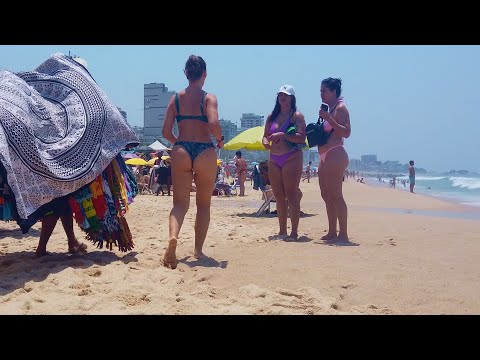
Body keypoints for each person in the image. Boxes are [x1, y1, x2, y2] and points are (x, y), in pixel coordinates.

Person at [161, 54, 224, 269]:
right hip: (205, 150)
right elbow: (214, 122)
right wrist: (220, 139)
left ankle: (173, 238)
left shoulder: (176, 98)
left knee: (179, 204)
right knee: (203, 204)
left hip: (182, 148)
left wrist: (178, 142)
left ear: (185, 74)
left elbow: (165, 131)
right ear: (205, 74)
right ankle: (198, 249)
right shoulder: (209, 98)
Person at [262, 84, 306, 240]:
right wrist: (265, 142)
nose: (282, 97)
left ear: (291, 98)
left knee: (292, 194)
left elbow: (302, 137)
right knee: (279, 196)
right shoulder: (271, 117)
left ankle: (294, 232)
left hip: (291, 157)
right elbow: (265, 135)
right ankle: (282, 231)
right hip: (274, 158)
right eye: (280, 94)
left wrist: (283, 135)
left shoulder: (297, 116)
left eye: (286, 95)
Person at [317, 77, 351, 243]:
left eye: (324, 90)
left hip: (336, 153)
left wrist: (329, 119)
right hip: (325, 155)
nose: (321, 93)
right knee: (326, 194)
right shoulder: (330, 110)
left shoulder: (341, 109)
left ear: (333, 92)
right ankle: (332, 231)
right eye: (321, 90)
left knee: (336, 195)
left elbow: (346, 132)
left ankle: (343, 234)